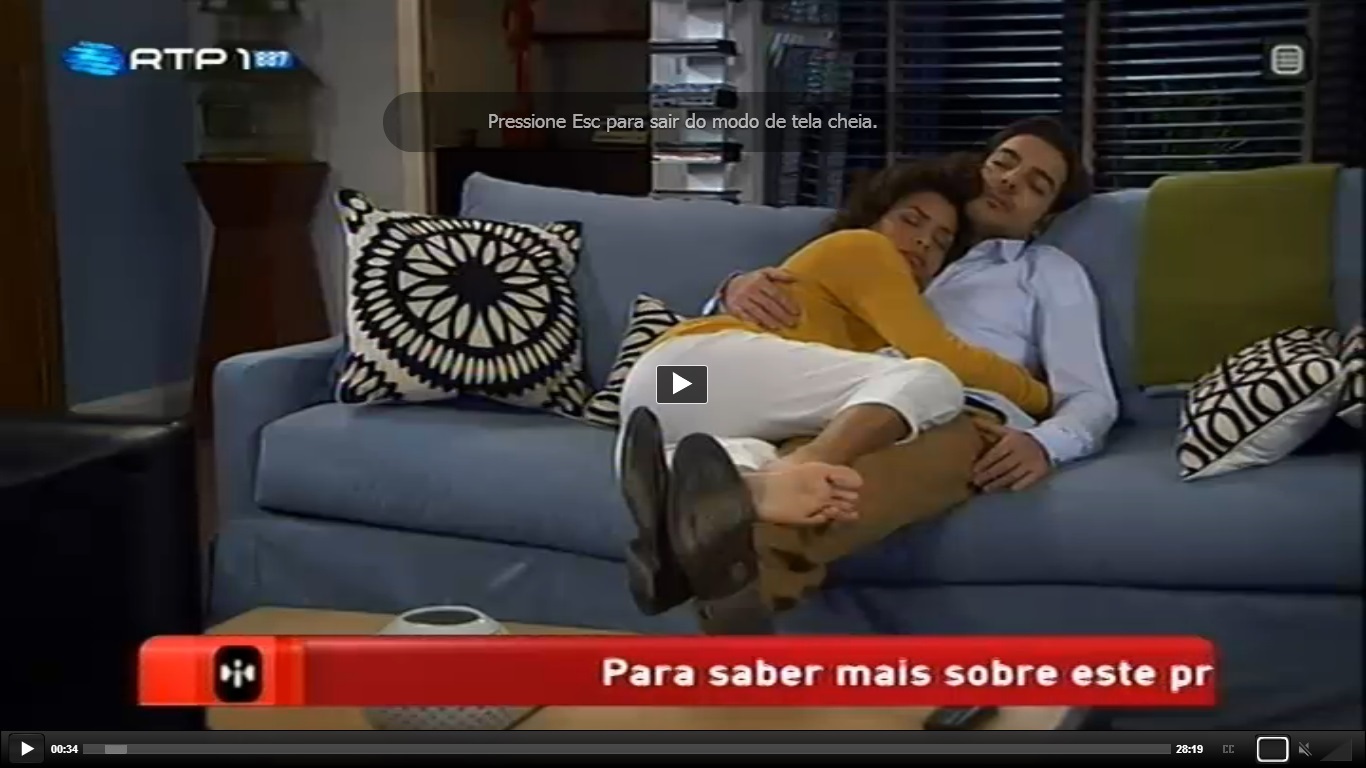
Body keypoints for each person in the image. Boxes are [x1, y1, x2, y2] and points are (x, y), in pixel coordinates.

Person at [616, 154, 1055, 634]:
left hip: (665, 399)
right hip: (693, 370)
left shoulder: (862, 320)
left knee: (737, 470)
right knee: (931, 379)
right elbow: (941, 354)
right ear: (874, 217)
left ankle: (678, 537)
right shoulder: (864, 248)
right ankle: (807, 464)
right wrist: (1038, 394)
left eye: (940, 241)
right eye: (911, 221)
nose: (923, 242)